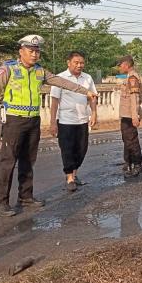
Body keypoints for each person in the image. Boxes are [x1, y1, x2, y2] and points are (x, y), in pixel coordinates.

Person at [0, 35, 97, 217]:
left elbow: (63, 83)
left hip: (33, 121)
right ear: (21, 52)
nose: (35, 55)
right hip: (14, 120)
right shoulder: (9, 69)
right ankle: (1, 203)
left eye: (37, 51)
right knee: (8, 162)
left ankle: (26, 197)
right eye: (31, 51)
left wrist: (86, 92)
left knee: (28, 160)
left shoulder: (39, 72)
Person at [49, 51, 97, 192]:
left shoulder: (87, 78)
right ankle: (69, 177)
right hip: (65, 121)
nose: (79, 65)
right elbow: (54, 101)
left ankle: (75, 175)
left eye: (81, 62)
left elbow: (92, 97)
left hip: (82, 120)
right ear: (68, 62)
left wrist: (94, 113)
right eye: (76, 62)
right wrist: (52, 122)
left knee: (81, 149)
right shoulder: (60, 78)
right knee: (67, 150)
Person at [116, 55, 142, 178]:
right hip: (126, 115)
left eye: (120, 65)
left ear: (126, 65)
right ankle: (128, 162)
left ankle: (137, 164)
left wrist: (135, 116)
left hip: (130, 115)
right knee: (127, 140)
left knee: (132, 140)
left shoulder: (132, 78)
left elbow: (134, 98)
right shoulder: (128, 77)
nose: (119, 67)